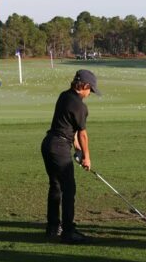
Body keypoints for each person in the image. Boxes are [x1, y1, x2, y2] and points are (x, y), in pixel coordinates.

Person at [41, 69, 101, 244]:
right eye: (91, 90)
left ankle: (52, 227)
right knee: (69, 189)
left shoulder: (64, 96)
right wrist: (87, 158)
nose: (90, 93)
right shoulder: (80, 106)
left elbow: (68, 127)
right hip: (59, 147)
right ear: (85, 86)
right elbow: (82, 134)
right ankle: (68, 231)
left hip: (49, 143)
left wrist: (77, 149)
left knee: (56, 186)